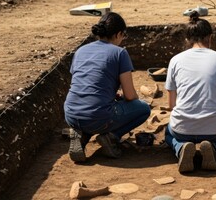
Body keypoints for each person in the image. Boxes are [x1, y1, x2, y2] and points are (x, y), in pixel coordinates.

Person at [64, 12, 151, 162]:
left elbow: (85, 84)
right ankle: (111, 137)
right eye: (123, 36)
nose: (123, 40)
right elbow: (130, 95)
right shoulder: (119, 53)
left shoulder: (81, 51)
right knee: (143, 109)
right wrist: (129, 99)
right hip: (99, 117)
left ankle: (82, 136)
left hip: (71, 114)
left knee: (94, 111)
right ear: (118, 34)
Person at [164, 11, 216, 173]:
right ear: (210, 37)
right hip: (215, 130)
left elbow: (171, 105)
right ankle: (214, 149)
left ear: (187, 39)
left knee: (168, 134)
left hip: (182, 129)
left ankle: (181, 148)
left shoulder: (175, 60)